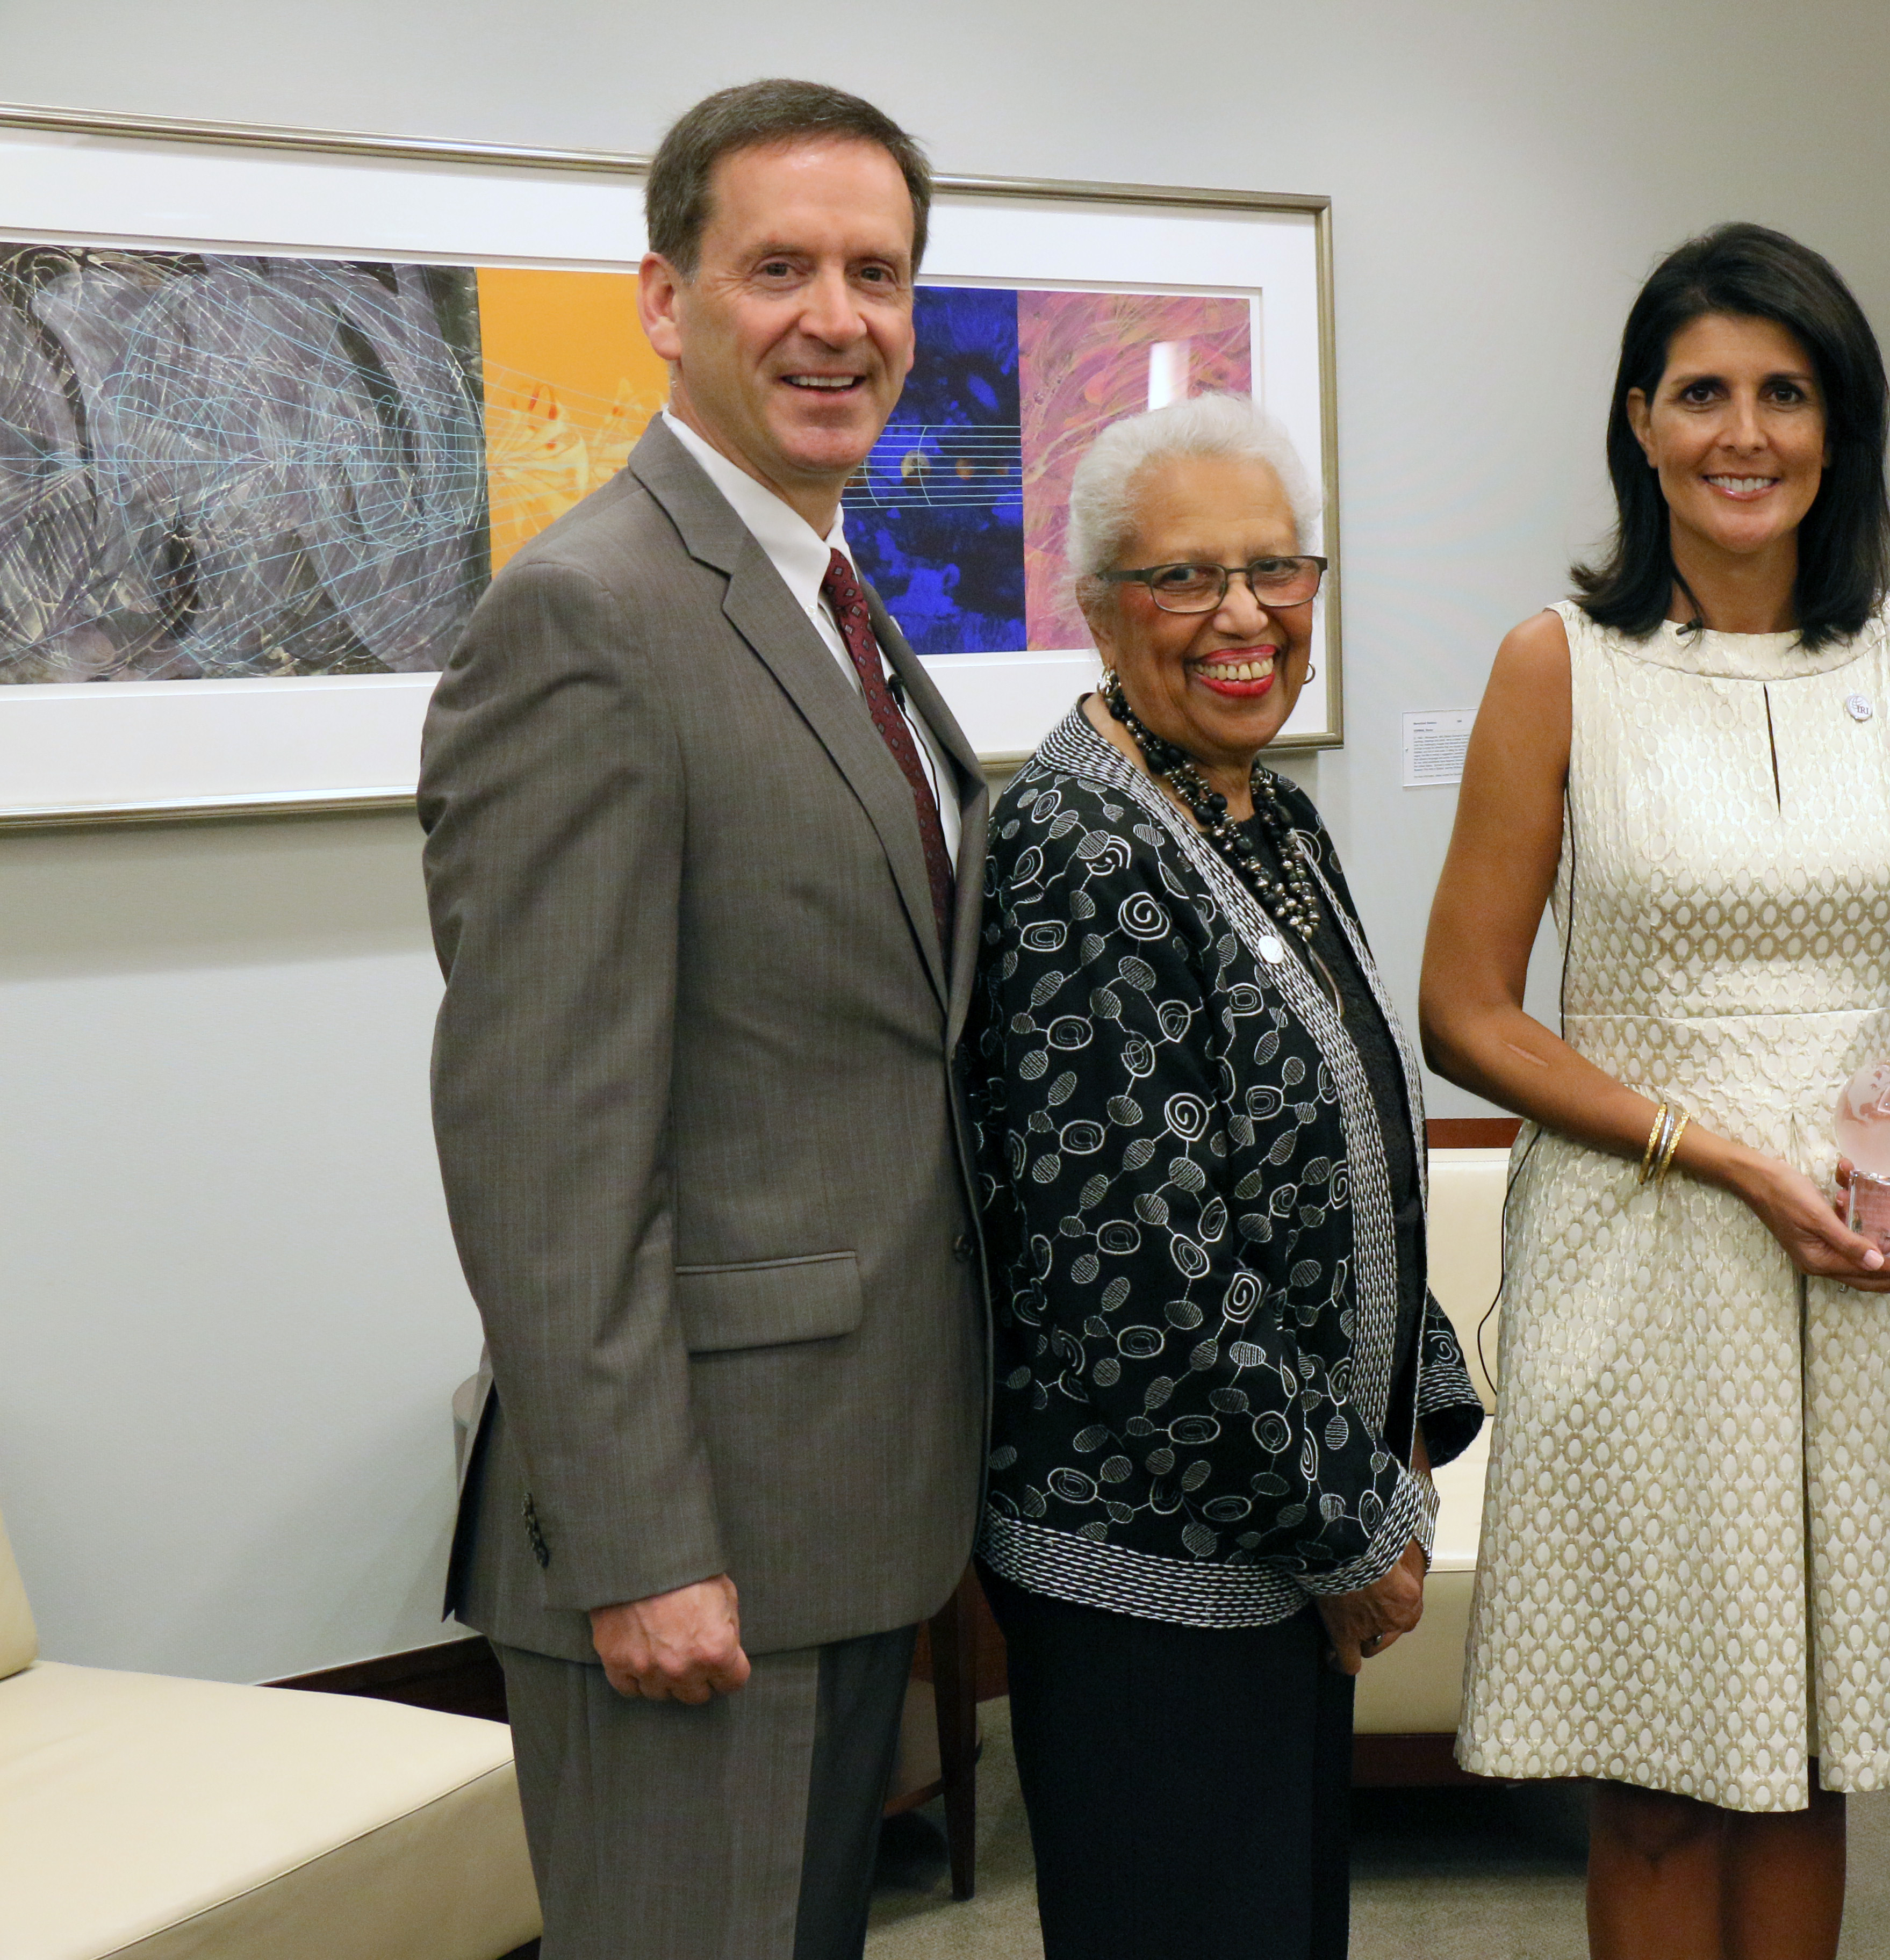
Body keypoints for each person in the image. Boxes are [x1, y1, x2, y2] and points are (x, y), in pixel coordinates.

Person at [1421, 222, 1890, 1960]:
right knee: (1652, 1769)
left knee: (1806, 1751)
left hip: (1867, 1253)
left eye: (1785, 392)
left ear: (1839, 423)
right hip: (1646, 1260)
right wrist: (1720, 1156)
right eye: (1701, 392)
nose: (1745, 433)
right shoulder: (1559, 666)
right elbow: (1465, 1011)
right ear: (1639, 422)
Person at [420, 81, 990, 1960]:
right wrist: (647, 1542)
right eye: (781, 269)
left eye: (879, 272)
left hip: (844, 1504)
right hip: (696, 1538)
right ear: (666, 299)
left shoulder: (828, 599)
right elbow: (544, 1145)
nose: (841, 318)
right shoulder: (587, 620)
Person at [972, 392, 1486, 1960]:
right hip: (1151, 1572)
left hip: (1276, 1532)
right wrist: (1350, 1522)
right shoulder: (1076, 844)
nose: (1244, 615)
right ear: (1102, 610)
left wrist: (1404, 1424)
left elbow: (1355, 1148)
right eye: (1185, 579)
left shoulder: (1275, 813)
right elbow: (1140, 1267)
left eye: (1278, 569)